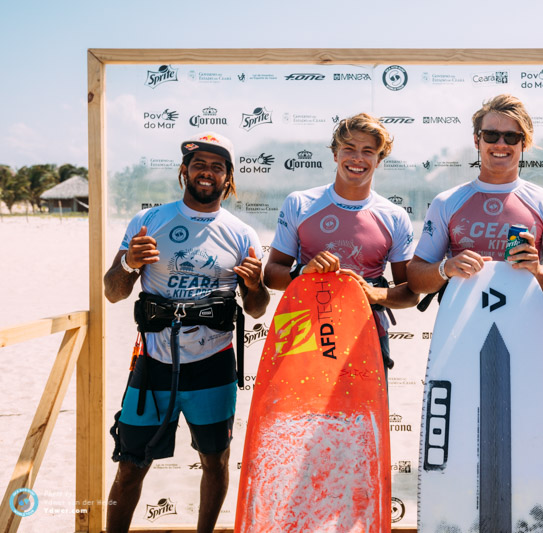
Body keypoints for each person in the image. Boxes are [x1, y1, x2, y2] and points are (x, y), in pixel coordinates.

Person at [104, 132, 270, 533]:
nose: (206, 172)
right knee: (130, 466)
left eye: (216, 166)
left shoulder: (243, 234)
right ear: (184, 172)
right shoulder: (149, 221)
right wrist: (127, 263)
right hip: (154, 364)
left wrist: (254, 286)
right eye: (198, 165)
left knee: (215, 462)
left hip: (213, 366)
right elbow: (112, 292)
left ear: (228, 178)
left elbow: (258, 309)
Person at [264, 113, 418, 373]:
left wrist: (374, 294)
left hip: (365, 330)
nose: (357, 158)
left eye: (368, 151)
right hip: (305, 331)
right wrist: (303, 273)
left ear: (379, 160)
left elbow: (410, 293)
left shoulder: (394, 216)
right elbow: (271, 275)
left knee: (366, 416)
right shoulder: (300, 203)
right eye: (349, 149)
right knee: (305, 416)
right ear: (335, 154)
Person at [407, 94, 543, 296]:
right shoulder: (446, 202)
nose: (501, 144)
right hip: (460, 322)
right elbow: (414, 279)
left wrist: (539, 271)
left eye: (511, 137)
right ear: (477, 140)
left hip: (525, 322)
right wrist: (446, 268)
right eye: (491, 135)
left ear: (523, 143)